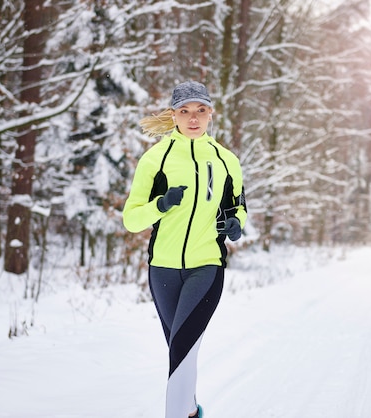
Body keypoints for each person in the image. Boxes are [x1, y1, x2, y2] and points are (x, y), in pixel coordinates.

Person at [122, 81, 247, 418]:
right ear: (174, 115)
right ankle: (190, 411)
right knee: (180, 353)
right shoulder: (156, 159)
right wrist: (160, 204)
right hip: (162, 269)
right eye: (185, 111)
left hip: (206, 266)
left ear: (210, 114)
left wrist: (236, 224)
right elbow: (131, 219)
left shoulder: (225, 160)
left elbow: (238, 207)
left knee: (182, 348)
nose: (193, 118)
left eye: (200, 110)